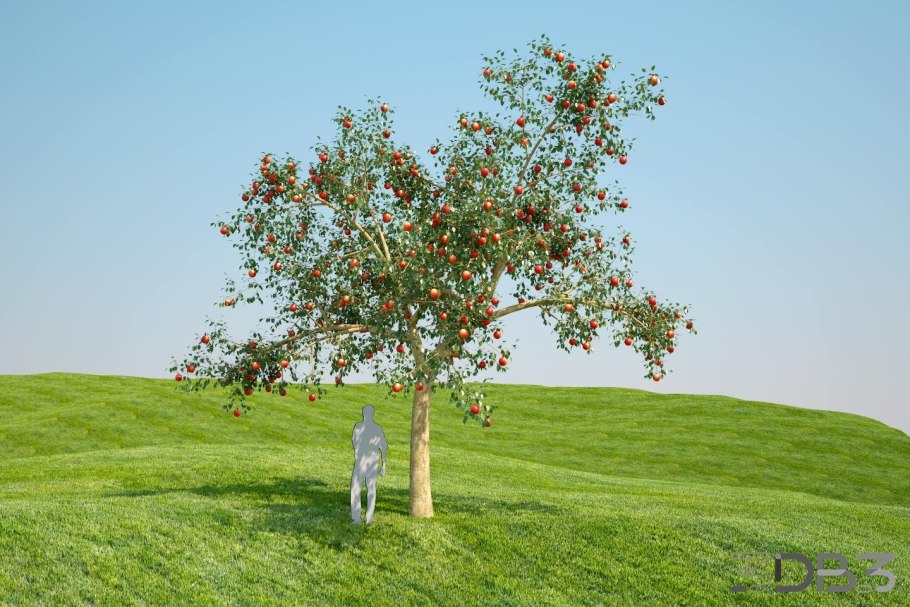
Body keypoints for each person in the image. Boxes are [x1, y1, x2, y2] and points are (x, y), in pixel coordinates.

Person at [350, 405, 387, 525]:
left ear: (363, 414)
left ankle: (357, 519)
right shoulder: (377, 428)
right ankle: (368, 519)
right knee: (370, 490)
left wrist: (384, 465)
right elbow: (384, 447)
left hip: (362, 462)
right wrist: (384, 465)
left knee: (357, 489)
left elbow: (355, 443)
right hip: (372, 462)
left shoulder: (358, 427)